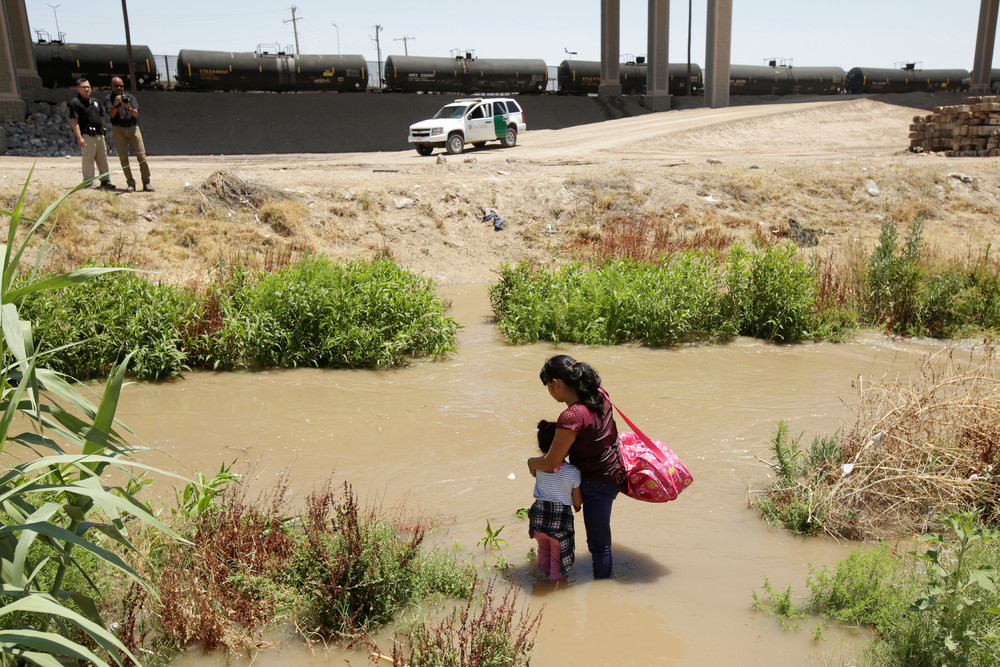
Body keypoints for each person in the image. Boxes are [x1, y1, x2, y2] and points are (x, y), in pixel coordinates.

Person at [528, 355, 626, 579]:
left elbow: (551, 462)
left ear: (556, 383)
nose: (550, 393)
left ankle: (602, 594)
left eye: (548, 387)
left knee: (599, 545)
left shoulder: (571, 415)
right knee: (601, 536)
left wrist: (531, 463)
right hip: (615, 472)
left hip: (595, 481)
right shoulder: (600, 395)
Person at [528, 419, 582, 581]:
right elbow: (577, 500)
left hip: (538, 520)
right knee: (558, 565)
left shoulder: (536, 465)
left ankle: (540, 582)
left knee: (543, 551)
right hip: (559, 524)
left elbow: (535, 473)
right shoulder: (573, 472)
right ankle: (554, 591)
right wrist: (578, 507)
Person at [103, 76, 153, 192]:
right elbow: (111, 114)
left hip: (133, 128)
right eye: (116, 86)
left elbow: (135, 114)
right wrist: (115, 104)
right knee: (123, 158)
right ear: (112, 86)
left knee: (142, 156)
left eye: (121, 86)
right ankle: (130, 183)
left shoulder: (130, 97)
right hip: (118, 129)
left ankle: (146, 182)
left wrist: (128, 106)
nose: (119, 88)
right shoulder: (108, 99)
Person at [68, 78, 114, 190]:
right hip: (87, 135)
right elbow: (74, 121)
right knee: (88, 158)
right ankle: (88, 182)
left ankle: (105, 180)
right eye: (84, 87)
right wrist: (79, 137)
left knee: (103, 158)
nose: (87, 89)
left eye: (88, 87)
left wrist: (103, 133)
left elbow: (101, 117)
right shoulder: (75, 102)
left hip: (99, 134)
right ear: (78, 89)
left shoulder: (95, 101)